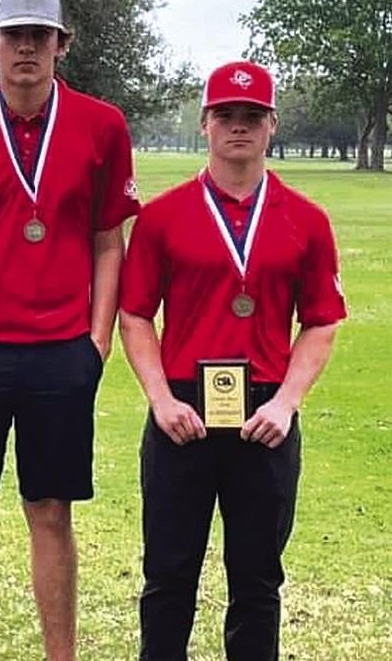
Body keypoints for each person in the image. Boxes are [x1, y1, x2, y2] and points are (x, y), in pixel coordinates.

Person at [0, 0, 141, 661]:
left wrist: (96, 341)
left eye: (38, 36)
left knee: (50, 512)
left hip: (61, 352)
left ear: (60, 45)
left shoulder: (102, 126)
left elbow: (110, 241)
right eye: (12, 36)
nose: (25, 48)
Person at [118, 60, 346, 661]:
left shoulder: (307, 220)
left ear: (272, 124)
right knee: (168, 578)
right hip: (181, 413)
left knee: (257, 581)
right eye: (226, 115)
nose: (238, 127)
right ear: (205, 123)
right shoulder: (162, 217)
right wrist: (161, 400)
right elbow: (135, 315)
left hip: (265, 415)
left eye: (251, 116)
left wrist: (287, 403)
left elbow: (321, 321)